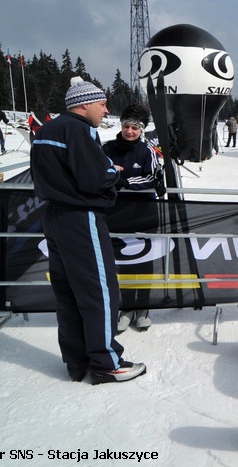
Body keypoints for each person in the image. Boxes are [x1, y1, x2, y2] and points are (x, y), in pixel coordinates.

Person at [30, 77, 146, 384]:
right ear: (83, 104)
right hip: (81, 218)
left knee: (68, 293)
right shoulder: (80, 130)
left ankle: (77, 362)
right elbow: (94, 176)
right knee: (100, 290)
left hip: (54, 216)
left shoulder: (47, 130)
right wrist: (114, 171)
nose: (106, 111)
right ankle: (106, 362)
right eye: (102, 103)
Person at [102, 104, 162, 333]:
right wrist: (112, 177)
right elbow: (98, 172)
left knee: (145, 260)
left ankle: (143, 307)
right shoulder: (106, 148)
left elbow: (152, 178)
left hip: (144, 213)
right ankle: (126, 307)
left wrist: (123, 180)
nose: (129, 131)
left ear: (142, 130)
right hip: (116, 213)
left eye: (134, 128)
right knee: (123, 262)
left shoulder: (147, 151)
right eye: (126, 126)